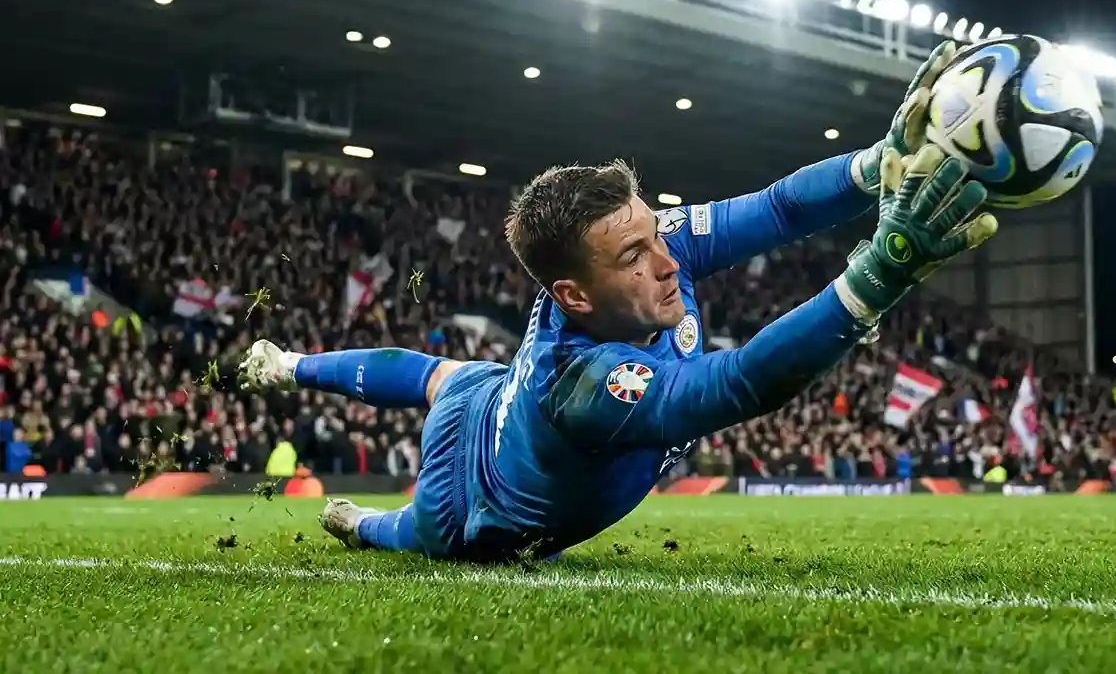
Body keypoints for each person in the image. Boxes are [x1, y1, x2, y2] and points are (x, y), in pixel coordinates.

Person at [231, 42, 999, 562]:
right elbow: (734, 385)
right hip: (474, 504)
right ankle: (364, 523)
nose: (669, 259)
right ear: (573, 293)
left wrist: (875, 165)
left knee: (445, 377)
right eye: (635, 256)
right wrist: (876, 274)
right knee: (410, 529)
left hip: (494, 396)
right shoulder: (586, 387)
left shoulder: (649, 243)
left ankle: (285, 361)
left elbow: (778, 209)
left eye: (652, 232)